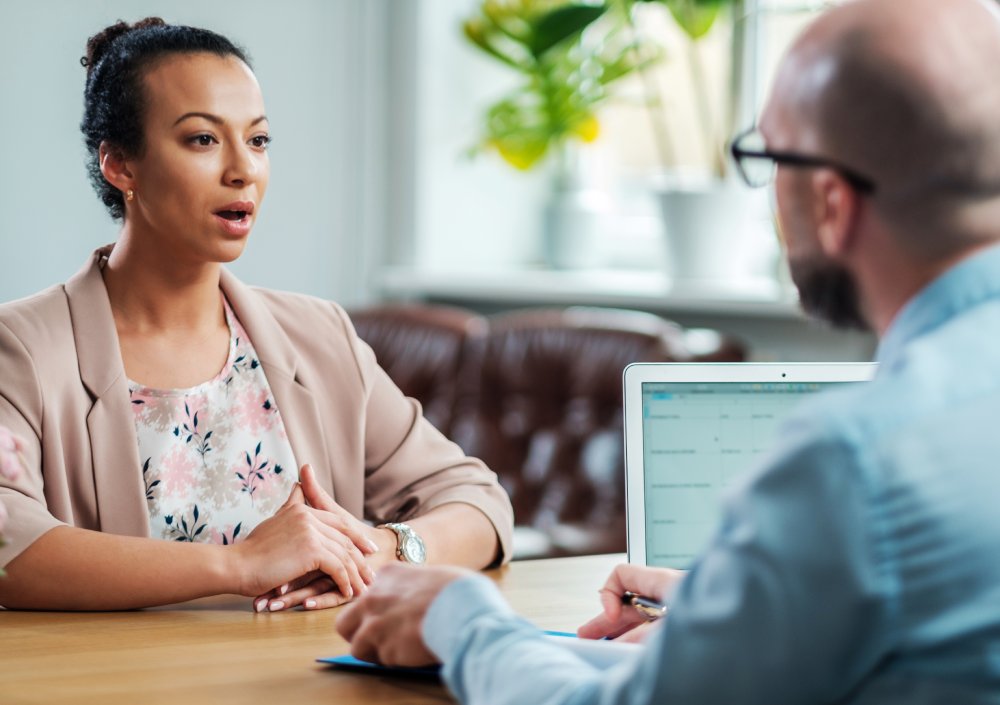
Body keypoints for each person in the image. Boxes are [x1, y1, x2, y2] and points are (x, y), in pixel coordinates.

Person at [336, 0, 1000, 701]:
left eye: (767, 158)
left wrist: (464, 620)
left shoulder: (854, 460)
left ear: (833, 205)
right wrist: (743, 608)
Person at [0, 18, 513, 612]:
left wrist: (383, 548)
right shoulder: (22, 348)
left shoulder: (321, 337)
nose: (243, 169)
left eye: (259, 140)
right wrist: (238, 565)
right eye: (203, 139)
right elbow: (9, 544)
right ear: (120, 165)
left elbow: (477, 501)